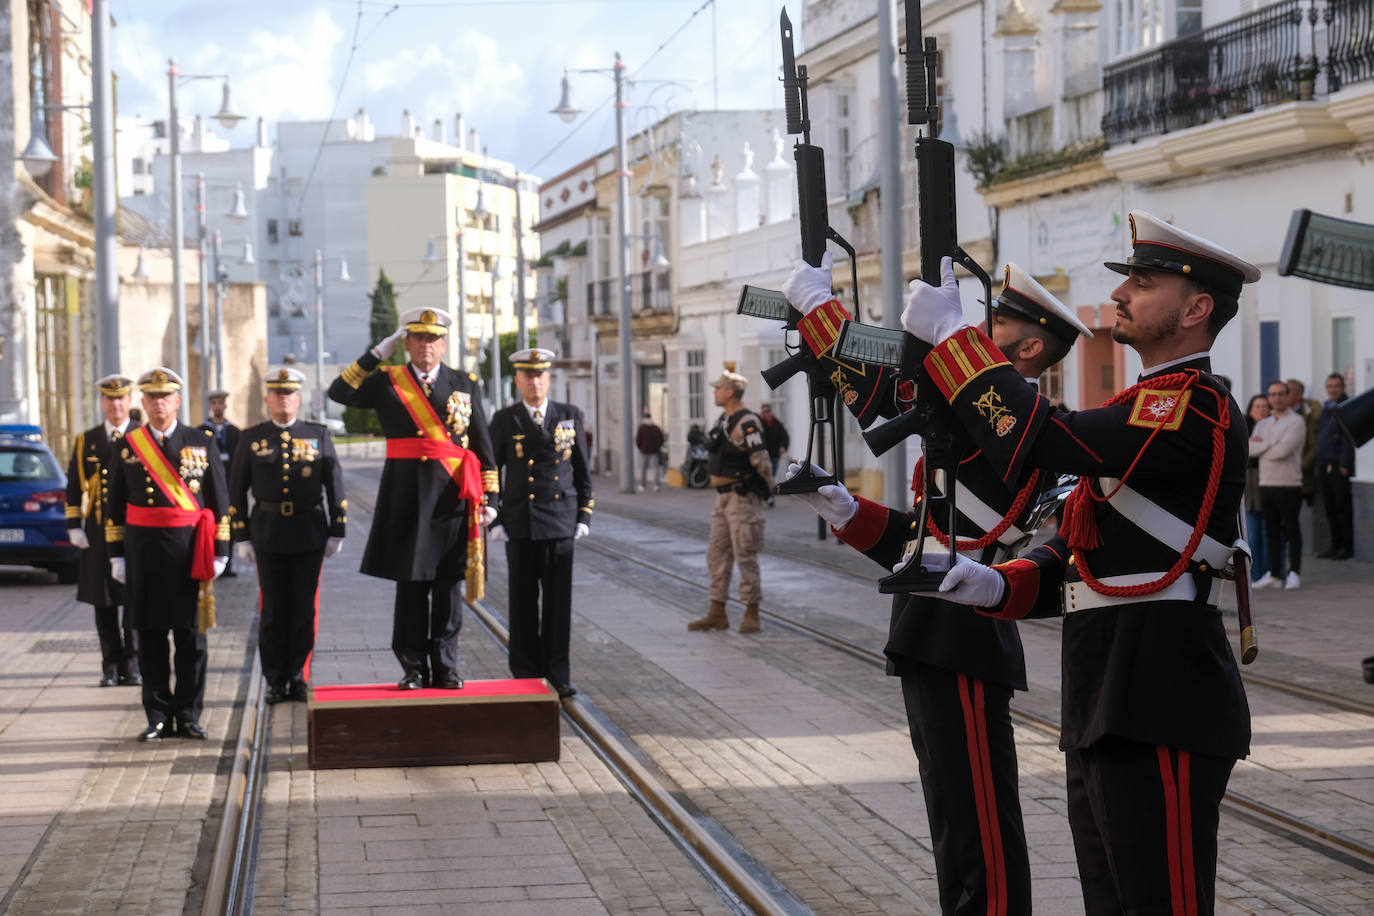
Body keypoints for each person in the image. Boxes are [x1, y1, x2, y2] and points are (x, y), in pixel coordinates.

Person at [899, 211, 1254, 915]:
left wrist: (957, 341)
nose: (1119, 297)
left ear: (1196, 308)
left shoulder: (1193, 406)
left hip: (1163, 694)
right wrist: (992, 583)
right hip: (1104, 693)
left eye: (1142, 284)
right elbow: (1074, 550)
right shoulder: (1139, 408)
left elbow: (1039, 437)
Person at [781, 259, 1093, 915]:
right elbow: (929, 540)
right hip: (934, 627)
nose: (982, 327)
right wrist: (845, 510)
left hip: (966, 634)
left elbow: (881, 393)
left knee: (977, 815)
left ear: (1031, 348)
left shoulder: (1015, 418)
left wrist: (820, 311)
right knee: (954, 813)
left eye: (998, 322)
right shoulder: (979, 412)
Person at [328, 308, 499, 690]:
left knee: (448, 587)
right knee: (410, 587)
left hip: (451, 499)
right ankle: (413, 667)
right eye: (418, 338)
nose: (427, 346)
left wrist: (491, 498)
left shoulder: (464, 382)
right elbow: (339, 392)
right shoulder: (388, 380)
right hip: (404, 497)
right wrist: (376, 354)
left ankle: (446, 666)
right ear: (405, 343)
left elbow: (483, 442)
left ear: (443, 344)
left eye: (434, 339)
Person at [106, 368, 230, 741]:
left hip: (191, 555)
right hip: (143, 555)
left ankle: (189, 715)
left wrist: (222, 552)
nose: (159, 404)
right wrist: (116, 555)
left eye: (166, 397)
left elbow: (221, 501)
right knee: (152, 639)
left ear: (177, 401)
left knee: (191, 640)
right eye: (152, 397)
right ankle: (158, 716)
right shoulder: (127, 445)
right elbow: (113, 506)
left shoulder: (201, 441)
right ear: (143, 402)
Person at [230, 368, 347, 704]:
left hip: (309, 531)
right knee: (272, 611)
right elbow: (236, 490)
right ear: (268, 398)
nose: (284, 398)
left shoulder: (318, 434)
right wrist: (241, 537)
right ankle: (275, 678)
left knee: (303, 609)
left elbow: (334, 483)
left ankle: (298, 675)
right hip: (267, 533)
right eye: (277, 393)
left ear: (298, 398)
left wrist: (337, 529)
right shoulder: (251, 437)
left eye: (290, 393)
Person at [487, 348, 593, 698]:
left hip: (560, 522)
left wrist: (584, 516)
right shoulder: (505, 419)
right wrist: (495, 517)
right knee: (522, 603)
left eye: (540, 375)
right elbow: (492, 471)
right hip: (521, 523)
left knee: (558, 605)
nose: (535, 382)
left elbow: (582, 471)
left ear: (549, 379)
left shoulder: (569, 415)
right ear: (517, 380)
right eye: (528, 376)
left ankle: (558, 674)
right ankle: (525, 674)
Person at [65, 373, 142, 687]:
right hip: (97, 531)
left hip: (134, 529)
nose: (116, 405)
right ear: (103, 402)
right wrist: (73, 526)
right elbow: (73, 487)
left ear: (129, 401)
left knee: (134, 600)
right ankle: (110, 667)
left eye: (121, 398)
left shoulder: (142, 437)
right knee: (104, 601)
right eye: (110, 399)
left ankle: (133, 666)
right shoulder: (88, 440)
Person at [687, 365, 775, 633]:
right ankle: (717, 612)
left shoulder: (748, 422)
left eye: (718, 388)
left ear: (730, 392)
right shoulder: (723, 422)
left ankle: (752, 612)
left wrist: (770, 488)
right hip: (722, 501)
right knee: (717, 554)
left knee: (745, 555)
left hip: (743, 499)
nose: (714, 391)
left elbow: (761, 459)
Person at [1251, 379, 1306, 589]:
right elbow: (1250, 448)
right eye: (1272, 394)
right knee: (1271, 531)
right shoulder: (1263, 423)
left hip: (1289, 484)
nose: (1276, 398)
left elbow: (1283, 452)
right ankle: (1274, 574)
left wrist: (1264, 447)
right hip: (1266, 483)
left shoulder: (1296, 421)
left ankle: (1294, 572)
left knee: (1291, 530)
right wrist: (1272, 444)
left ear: (1287, 395)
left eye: (1280, 393)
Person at [199, 390, 241, 577]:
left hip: (228, 484)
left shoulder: (234, 433)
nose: (217, 406)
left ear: (225, 405)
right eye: (214, 403)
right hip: (207, 486)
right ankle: (207, 559)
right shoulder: (200, 431)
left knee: (227, 524)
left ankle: (227, 562)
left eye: (220, 403)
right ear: (210, 406)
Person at [1315, 372, 1356, 560]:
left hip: (1339, 467)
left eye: (1336, 386)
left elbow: (1349, 438)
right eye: (1330, 386)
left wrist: (1345, 463)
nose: (1333, 389)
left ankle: (1347, 548)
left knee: (1342, 508)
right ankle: (1335, 544)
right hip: (1325, 466)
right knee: (1330, 508)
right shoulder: (1327, 408)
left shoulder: (1346, 406)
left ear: (1343, 387)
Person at [1243, 394, 1271, 581]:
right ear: (1251, 409)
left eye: (1264, 406)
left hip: (1268, 484)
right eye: (1257, 406)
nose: (1260, 409)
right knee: (1252, 535)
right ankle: (1254, 573)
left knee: (1269, 534)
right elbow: (1246, 453)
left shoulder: (1272, 427)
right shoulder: (1243, 427)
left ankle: (1270, 572)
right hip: (1249, 490)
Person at [1286, 378, 1322, 506]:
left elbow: (1314, 444)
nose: (1283, 394)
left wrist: (1301, 465)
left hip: (1302, 474)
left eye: (1288, 391)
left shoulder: (1308, 414)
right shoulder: (1278, 413)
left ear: (1299, 395)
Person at [634, 406, 665, 491]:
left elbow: (638, 440)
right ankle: (656, 485)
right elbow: (661, 439)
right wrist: (659, 446)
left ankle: (643, 485)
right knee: (655, 468)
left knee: (643, 468)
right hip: (654, 451)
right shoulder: (655, 428)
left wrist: (640, 447)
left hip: (644, 451)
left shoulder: (641, 428)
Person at [759, 403, 790, 476]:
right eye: (764, 412)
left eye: (768, 411)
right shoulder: (759, 424)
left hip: (774, 454)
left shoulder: (777, 424)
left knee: (772, 474)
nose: (766, 413)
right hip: (763, 455)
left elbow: (785, 437)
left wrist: (783, 447)